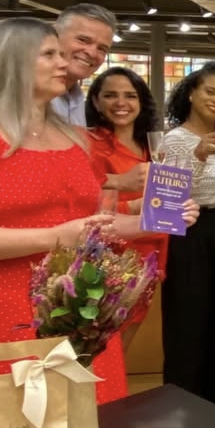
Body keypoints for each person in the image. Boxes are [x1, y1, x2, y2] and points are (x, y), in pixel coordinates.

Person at [0, 18, 199, 428]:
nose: (66, 64)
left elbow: (90, 224)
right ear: (12, 63)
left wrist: (154, 222)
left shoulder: (71, 138)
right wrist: (53, 237)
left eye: (62, 54)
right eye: (50, 55)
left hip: (72, 304)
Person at [160, 61, 215, 404]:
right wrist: (198, 155)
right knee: (188, 321)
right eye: (210, 91)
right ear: (192, 92)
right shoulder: (173, 139)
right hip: (190, 233)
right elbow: (165, 199)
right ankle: (182, 401)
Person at [84, 66, 168, 351]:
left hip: (150, 254)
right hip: (111, 258)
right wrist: (132, 205)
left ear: (141, 101)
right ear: (96, 101)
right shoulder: (88, 145)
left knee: (125, 344)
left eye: (130, 95)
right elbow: (83, 206)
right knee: (102, 345)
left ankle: (113, 395)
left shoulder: (152, 146)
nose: (121, 103)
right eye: (110, 95)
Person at [51, 4, 116, 128]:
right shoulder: (25, 93)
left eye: (102, 49)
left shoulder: (77, 97)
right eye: (83, 40)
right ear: (54, 36)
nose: (92, 53)